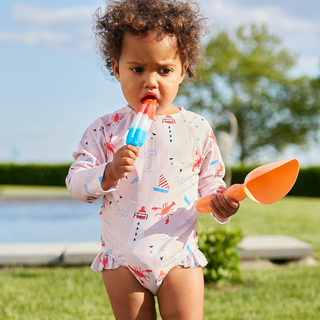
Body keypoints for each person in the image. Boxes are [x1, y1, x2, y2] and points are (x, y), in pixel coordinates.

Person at [66, 0, 239, 319]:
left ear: (183, 70)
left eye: (164, 70)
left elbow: (211, 184)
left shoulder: (197, 128)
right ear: (116, 68)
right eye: (137, 69)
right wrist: (108, 172)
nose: (151, 81)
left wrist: (220, 202)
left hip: (178, 254)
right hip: (123, 260)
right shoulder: (105, 130)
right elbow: (76, 183)